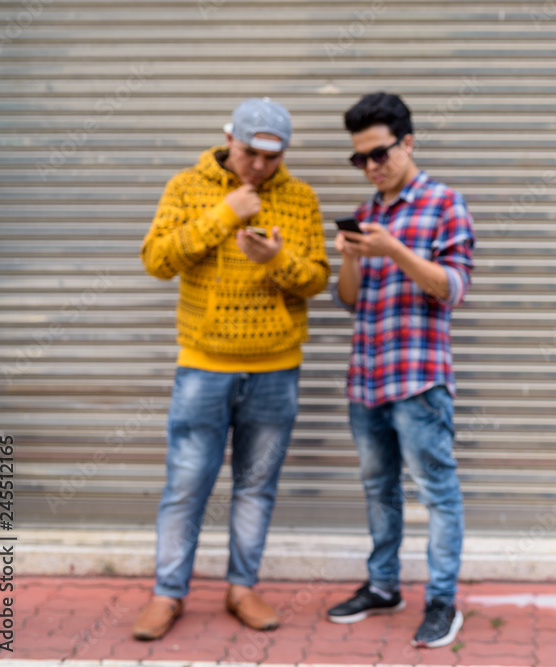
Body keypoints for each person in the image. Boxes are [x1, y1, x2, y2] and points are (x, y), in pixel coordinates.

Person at [133, 97, 330, 641]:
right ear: (229, 139)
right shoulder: (186, 187)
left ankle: (242, 587)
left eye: (273, 157)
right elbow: (156, 260)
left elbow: (316, 278)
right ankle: (167, 594)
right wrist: (225, 215)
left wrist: (277, 262)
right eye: (250, 154)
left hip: (276, 369)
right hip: (203, 366)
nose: (261, 167)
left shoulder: (300, 198)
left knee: (255, 485)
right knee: (187, 484)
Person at [325, 92, 475, 650]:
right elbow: (348, 301)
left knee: (437, 492)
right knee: (377, 489)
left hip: (418, 381)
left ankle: (442, 602)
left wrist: (394, 251)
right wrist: (351, 257)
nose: (370, 166)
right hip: (366, 377)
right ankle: (383, 585)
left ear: (408, 143)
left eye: (379, 153)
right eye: (359, 158)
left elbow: (453, 289)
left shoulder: (443, 203)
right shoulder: (367, 214)